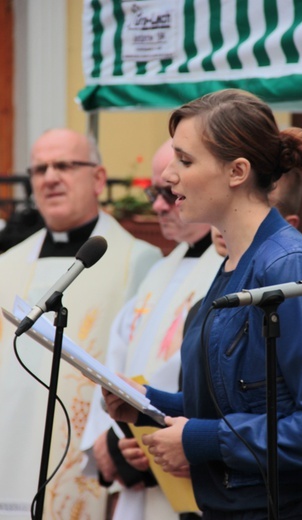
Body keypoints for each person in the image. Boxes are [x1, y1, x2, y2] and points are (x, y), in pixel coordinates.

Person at [103, 89, 302, 520]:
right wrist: (150, 405)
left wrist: (202, 441)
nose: (169, 176)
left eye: (185, 160)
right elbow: (236, 404)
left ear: (237, 171)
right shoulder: (234, 259)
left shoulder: (286, 265)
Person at [0, 128, 162, 520]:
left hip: (87, 461)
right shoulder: (6, 263)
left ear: (99, 178)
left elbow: (141, 365)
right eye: (39, 169)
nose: (50, 177)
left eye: (64, 165)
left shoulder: (137, 260)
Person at [81, 138, 223, 520]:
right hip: (137, 458)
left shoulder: (226, 267)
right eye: (153, 193)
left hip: (185, 470)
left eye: (169, 192)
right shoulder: (161, 267)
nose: (159, 205)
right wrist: (110, 439)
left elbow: (191, 370)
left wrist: (133, 434)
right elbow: (117, 358)